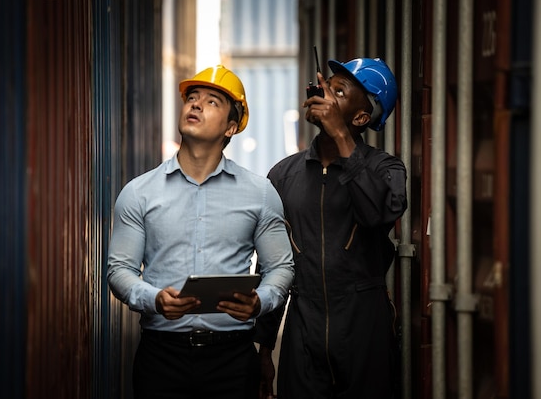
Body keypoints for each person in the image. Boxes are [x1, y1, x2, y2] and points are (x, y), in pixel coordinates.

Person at [107, 65, 295, 399]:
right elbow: (119, 270)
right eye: (191, 98)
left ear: (231, 127)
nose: (195, 104)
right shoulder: (139, 192)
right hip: (161, 358)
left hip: (233, 361)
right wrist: (154, 299)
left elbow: (281, 267)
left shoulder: (260, 193)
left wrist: (259, 303)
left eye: (211, 102)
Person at [255, 57, 407, 399]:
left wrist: (340, 135)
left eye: (338, 91)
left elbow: (376, 215)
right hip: (303, 328)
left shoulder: (386, 169)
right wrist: (265, 347)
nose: (324, 94)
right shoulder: (282, 176)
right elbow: (270, 265)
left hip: (364, 327)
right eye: (325, 86)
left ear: (361, 117)